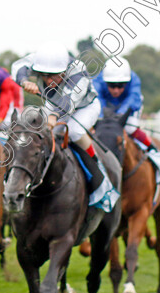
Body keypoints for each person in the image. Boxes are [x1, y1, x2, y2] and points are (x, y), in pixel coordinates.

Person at [11, 43, 120, 212]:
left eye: (53, 76)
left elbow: (67, 102)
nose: (48, 81)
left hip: (84, 107)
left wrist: (52, 119)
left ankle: (98, 170)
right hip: (54, 104)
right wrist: (25, 81)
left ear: (64, 70)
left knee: (74, 131)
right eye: (44, 76)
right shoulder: (39, 60)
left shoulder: (78, 71)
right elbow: (17, 66)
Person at [93, 56, 157, 151]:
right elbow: (97, 100)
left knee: (130, 127)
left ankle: (152, 147)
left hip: (131, 106)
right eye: (111, 85)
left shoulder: (134, 79)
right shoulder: (97, 81)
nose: (116, 90)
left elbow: (132, 99)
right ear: (105, 81)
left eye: (120, 85)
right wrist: (102, 115)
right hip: (107, 107)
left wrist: (121, 114)